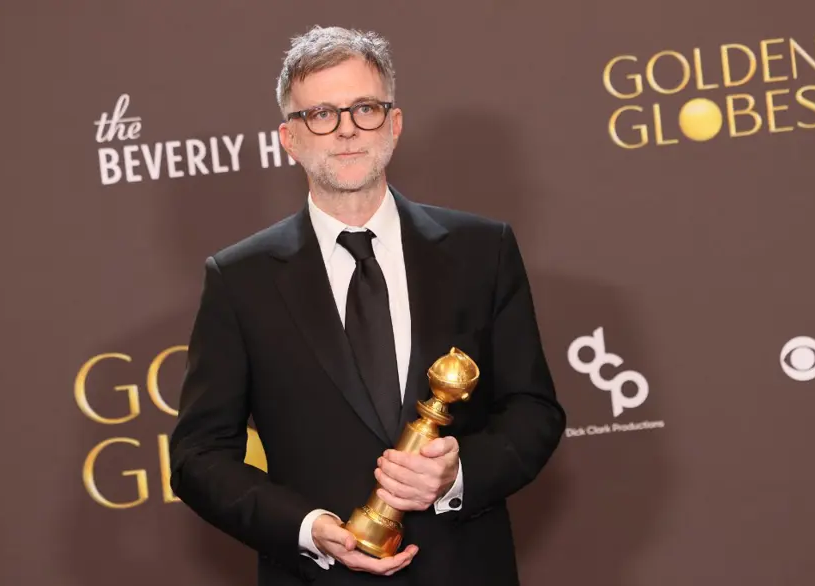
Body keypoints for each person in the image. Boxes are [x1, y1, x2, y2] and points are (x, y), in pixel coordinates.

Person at [169, 25, 565, 586]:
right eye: (321, 114)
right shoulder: (239, 279)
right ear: (289, 138)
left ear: (394, 124)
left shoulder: (482, 250)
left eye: (365, 108)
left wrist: (457, 475)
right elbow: (198, 456)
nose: (347, 129)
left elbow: (534, 410)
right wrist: (305, 527)